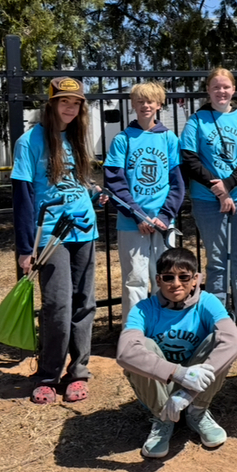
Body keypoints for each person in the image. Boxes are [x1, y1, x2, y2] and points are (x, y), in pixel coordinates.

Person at [11, 76, 105, 405]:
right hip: (51, 234)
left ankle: (78, 373)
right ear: (51, 104)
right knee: (57, 306)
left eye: (76, 102)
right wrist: (25, 248)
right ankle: (48, 375)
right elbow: (22, 197)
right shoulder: (30, 141)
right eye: (64, 101)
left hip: (84, 229)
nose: (70, 107)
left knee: (84, 304)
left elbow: (76, 183)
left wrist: (94, 195)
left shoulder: (78, 139)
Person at [116, 247, 237, 459]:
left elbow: (234, 342)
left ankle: (197, 411)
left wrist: (187, 394)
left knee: (217, 341)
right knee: (142, 347)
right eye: (168, 277)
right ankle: (163, 417)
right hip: (161, 386)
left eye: (184, 277)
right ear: (158, 279)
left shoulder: (207, 302)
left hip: (197, 385)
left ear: (195, 280)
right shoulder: (144, 309)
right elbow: (125, 352)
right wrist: (179, 373)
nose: (176, 283)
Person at [179, 67, 237, 328]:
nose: (221, 91)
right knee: (216, 260)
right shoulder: (197, 120)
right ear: (208, 90)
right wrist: (217, 189)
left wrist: (227, 184)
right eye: (216, 87)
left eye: (226, 87)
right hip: (206, 199)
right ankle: (218, 316)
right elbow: (189, 158)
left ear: (233, 90)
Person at [104, 80, 185, 324]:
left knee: (166, 277)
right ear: (133, 105)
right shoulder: (123, 139)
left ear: (159, 105)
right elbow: (115, 182)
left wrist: (163, 216)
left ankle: (164, 327)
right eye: (140, 101)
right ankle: (135, 335)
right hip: (131, 223)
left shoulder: (170, 139)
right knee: (135, 280)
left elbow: (177, 182)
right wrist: (137, 215)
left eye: (150, 101)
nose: (145, 105)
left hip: (163, 224)